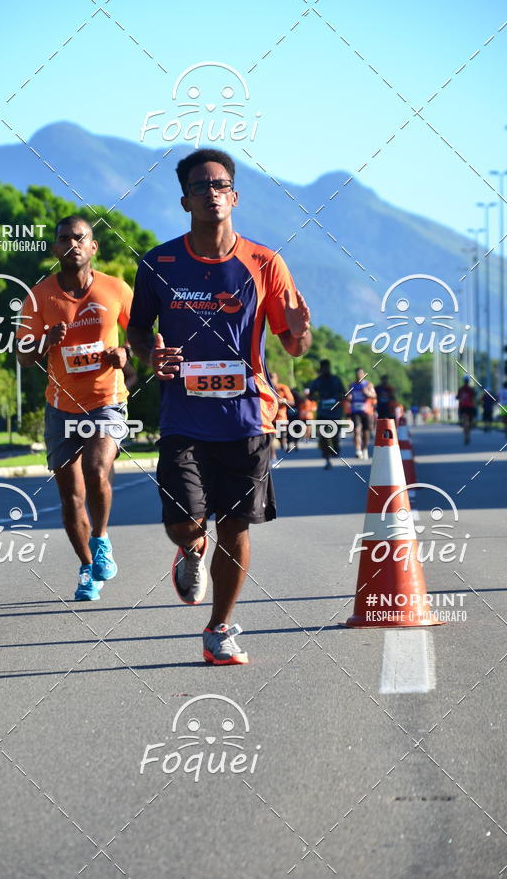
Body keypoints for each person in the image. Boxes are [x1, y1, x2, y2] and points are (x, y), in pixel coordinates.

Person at [127, 148, 311, 665]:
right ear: (185, 199)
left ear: (235, 196)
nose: (212, 193)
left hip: (248, 416)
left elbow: (293, 344)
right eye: (202, 186)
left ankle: (219, 629)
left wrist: (300, 329)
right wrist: (151, 354)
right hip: (183, 416)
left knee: (235, 526)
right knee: (186, 519)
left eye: (221, 184)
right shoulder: (159, 263)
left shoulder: (264, 262)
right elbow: (138, 329)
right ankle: (190, 548)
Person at [17, 215, 132, 602]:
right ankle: (87, 567)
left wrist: (125, 353)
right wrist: (47, 341)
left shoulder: (115, 289)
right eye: (64, 238)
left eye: (80, 237)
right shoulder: (39, 296)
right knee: (70, 497)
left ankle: (100, 541)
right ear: (55, 247)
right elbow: (23, 356)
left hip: (106, 400)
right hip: (61, 406)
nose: (72, 244)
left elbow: (142, 337)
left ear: (93, 246)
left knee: (98, 469)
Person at [308, 360, 346, 469]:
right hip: (322, 412)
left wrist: (338, 399)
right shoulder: (317, 381)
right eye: (323, 367)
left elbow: (344, 393)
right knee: (324, 436)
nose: (325, 369)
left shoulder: (336, 380)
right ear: (321, 368)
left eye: (326, 367)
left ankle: (335, 448)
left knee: (335, 436)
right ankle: (327, 459)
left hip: (335, 413)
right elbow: (310, 395)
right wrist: (316, 398)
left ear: (329, 367)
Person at [348, 368, 376, 459]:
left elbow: (374, 395)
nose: (358, 376)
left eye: (360, 374)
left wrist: (367, 393)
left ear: (363, 375)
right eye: (357, 375)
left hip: (366, 411)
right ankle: (358, 450)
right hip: (355, 411)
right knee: (356, 430)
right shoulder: (352, 385)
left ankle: (365, 448)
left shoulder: (368, 385)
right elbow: (348, 396)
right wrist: (349, 397)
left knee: (366, 432)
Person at [271, 371, 295, 456]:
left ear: (277, 378)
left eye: (272, 377)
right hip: (269, 419)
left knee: (282, 437)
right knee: (271, 438)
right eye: (269, 377)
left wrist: (284, 401)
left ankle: (284, 446)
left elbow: (292, 402)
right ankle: (273, 456)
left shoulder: (283, 388)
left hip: (281, 418)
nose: (271, 379)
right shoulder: (265, 388)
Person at [456, 375, 476, 444]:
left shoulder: (461, 389)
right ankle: (468, 434)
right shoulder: (471, 389)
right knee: (470, 422)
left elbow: (457, 397)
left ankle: (462, 426)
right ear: (468, 381)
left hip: (462, 407)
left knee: (463, 420)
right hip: (470, 407)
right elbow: (474, 397)